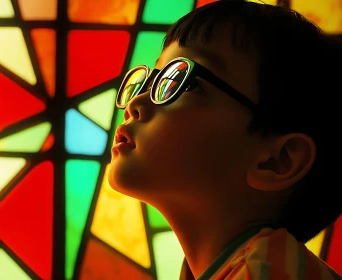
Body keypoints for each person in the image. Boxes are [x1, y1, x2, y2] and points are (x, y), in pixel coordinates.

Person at [108, 0, 342, 279]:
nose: (136, 102)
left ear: (277, 161)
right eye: (155, 79)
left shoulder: (267, 272)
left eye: (185, 81)